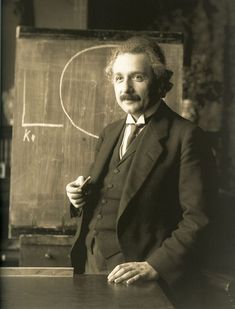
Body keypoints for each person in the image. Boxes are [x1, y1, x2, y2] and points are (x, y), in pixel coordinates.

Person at [66, 36, 217, 307]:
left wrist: (155, 266)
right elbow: (106, 196)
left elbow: (200, 219)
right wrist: (78, 197)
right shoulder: (110, 132)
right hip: (89, 266)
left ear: (159, 82)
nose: (126, 88)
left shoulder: (187, 136)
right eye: (119, 78)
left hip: (142, 280)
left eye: (138, 77)